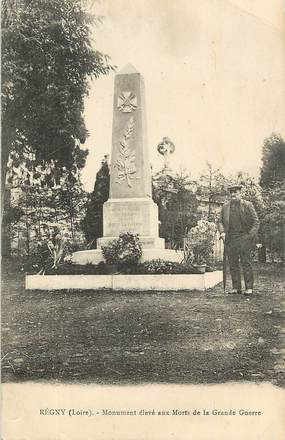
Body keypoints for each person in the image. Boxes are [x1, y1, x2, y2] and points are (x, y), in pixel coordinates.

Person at [218, 184, 260, 295]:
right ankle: (236, 288)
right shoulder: (225, 207)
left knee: (246, 263)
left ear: (240, 193)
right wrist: (222, 232)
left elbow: (256, 222)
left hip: (244, 238)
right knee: (233, 263)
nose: (233, 194)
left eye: (235, 192)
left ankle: (249, 288)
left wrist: (250, 236)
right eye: (231, 193)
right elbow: (220, 221)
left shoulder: (248, 205)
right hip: (231, 239)